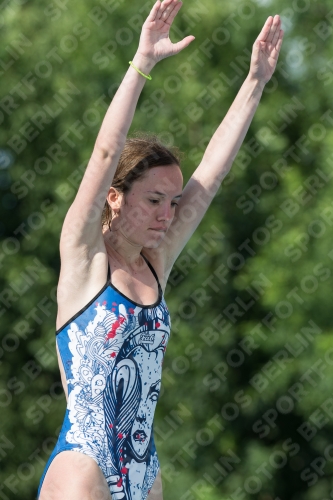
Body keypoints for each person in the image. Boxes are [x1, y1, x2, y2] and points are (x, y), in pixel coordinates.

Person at [37, 1, 284, 499]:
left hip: (146, 475)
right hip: (84, 467)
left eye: (172, 202)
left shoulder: (155, 262)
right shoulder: (84, 257)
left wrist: (255, 81)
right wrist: (142, 63)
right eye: (153, 200)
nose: (167, 214)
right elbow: (107, 152)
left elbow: (210, 177)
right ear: (114, 195)